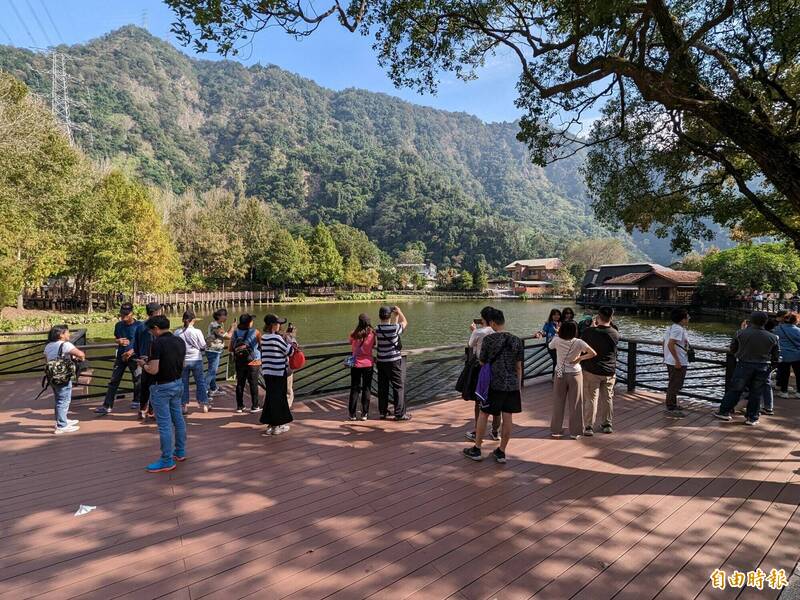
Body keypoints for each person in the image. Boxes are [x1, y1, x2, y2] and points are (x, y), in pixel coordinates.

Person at [463, 308, 523, 463]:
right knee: (507, 416)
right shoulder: (516, 340)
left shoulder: (490, 340)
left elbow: (482, 361)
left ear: (492, 323)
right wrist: (518, 385)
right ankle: (501, 451)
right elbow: (518, 366)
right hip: (511, 384)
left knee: (484, 413)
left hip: (493, 383)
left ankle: (477, 449)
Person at [714, 311, 779, 425]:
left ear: (751, 320)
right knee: (756, 393)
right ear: (765, 321)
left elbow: (733, 349)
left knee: (735, 390)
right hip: (762, 366)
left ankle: (724, 411)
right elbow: (776, 357)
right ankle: (752, 417)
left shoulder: (740, 333)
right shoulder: (773, 337)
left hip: (743, 364)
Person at [140, 315, 187, 473]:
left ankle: (166, 460)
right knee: (178, 419)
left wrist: (143, 364)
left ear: (156, 328)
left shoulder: (157, 343)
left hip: (161, 387)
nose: (151, 333)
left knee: (165, 425)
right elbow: (182, 363)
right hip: (178, 383)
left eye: (151, 330)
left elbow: (153, 369)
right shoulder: (179, 340)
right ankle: (180, 452)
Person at [549, 321, 596, 439]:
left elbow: (550, 346)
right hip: (575, 373)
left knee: (558, 402)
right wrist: (580, 358)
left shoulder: (557, 340)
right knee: (575, 403)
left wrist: (556, 333)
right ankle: (575, 432)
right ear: (574, 331)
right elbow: (593, 353)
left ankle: (556, 431)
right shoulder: (579, 342)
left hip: (560, 373)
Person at [95, 302, 142, 416]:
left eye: (126, 314)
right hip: (121, 356)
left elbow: (143, 343)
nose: (123, 316)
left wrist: (131, 352)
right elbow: (117, 338)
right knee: (113, 380)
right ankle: (107, 405)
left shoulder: (140, 326)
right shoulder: (118, 325)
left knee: (138, 379)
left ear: (132, 313)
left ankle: (137, 400)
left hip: (134, 357)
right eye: (122, 314)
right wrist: (118, 341)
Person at [581, 306, 620, 435]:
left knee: (591, 399)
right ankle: (607, 424)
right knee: (608, 398)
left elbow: (583, 345)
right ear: (611, 317)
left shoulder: (588, 332)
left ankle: (588, 427)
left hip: (591, 370)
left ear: (598, 316)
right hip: (609, 371)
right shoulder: (615, 333)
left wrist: (593, 327)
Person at [464, 307, 501, 441]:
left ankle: (476, 432)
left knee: (479, 401)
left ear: (483, 319)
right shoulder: (498, 332)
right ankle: (496, 431)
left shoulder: (479, 332)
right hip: (496, 368)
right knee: (496, 401)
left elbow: (470, 345)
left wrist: (474, 331)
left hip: (481, 368)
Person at [44, 325, 86, 434]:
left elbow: (48, 360)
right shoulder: (65, 345)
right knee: (64, 400)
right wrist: (79, 358)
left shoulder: (48, 346)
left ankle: (61, 420)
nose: (69, 335)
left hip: (52, 377)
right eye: (67, 332)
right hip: (63, 376)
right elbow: (81, 354)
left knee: (59, 399)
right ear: (61, 335)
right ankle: (62, 425)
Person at [260, 314, 295, 435]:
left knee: (270, 397)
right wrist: (292, 339)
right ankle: (277, 425)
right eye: (278, 323)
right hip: (278, 372)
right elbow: (289, 351)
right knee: (279, 398)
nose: (280, 325)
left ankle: (271, 424)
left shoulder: (264, 338)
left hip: (267, 372)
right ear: (273, 325)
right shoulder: (277, 338)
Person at [376, 305, 412, 421]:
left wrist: (394, 317)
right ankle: (399, 414)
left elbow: (391, 328)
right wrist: (400, 312)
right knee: (398, 387)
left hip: (381, 361)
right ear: (389, 316)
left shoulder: (377, 329)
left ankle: (383, 412)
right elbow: (405, 322)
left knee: (383, 387)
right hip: (394, 362)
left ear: (380, 316)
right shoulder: (394, 328)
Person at [174, 310, 209, 414]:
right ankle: (204, 404)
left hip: (183, 361)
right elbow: (203, 345)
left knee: (183, 383)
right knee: (200, 382)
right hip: (196, 359)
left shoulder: (177, 332)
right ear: (193, 320)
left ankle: (183, 406)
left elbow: (175, 346)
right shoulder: (197, 332)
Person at [135, 302, 163, 420]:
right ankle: (151, 410)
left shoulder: (140, 326)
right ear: (156, 312)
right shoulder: (155, 327)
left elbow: (135, 344)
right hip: (153, 360)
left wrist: (139, 356)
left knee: (145, 386)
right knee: (155, 386)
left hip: (142, 359)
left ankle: (142, 409)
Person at [230, 314, 262, 413]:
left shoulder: (235, 333)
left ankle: (240, 406)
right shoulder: (256, 332)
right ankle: (255, 406)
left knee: (240, 383)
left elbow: (230, 348)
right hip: (254, 360)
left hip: (239, 361)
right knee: (253, 383)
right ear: (249, 323)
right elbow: (262, 345)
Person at [663, 308, 691, 417]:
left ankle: (673, 404)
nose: (688, 318)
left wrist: (665, 357)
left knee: (673, 383)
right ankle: (670, 407)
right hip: (677, 361)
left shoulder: (671, 328)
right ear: (682, 319)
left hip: (671, 360)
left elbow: (664, 342)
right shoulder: (678, 329)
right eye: (687, 317)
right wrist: (677, 361)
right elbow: (670, 344)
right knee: (675, 384)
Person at [348, 313, 376, 420]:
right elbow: (373, 344)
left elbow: (350, 341)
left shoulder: (353, 334)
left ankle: (352, 414)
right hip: (368, 364)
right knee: (366, 388)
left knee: (354, 389)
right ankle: (364, 413)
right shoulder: (373, 334)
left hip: (355, 364)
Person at [205, 308, 232, 398]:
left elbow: (224, 335)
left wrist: (230, 328)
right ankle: (203, 390)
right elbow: (228, 336)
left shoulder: (217, 325)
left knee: (212, 370)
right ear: (219, 316)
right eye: (224, 315)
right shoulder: (216, 326)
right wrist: (233, 327)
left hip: (212, 350)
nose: (226, 317)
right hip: (213, 351)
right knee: (212, 371)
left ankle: (213, 389)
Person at [774, 313, 800, 398]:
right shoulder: (798, 330)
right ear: (796, 320)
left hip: (783, 355)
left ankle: (784, 391)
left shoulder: (778, 329)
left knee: (784, 373)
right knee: (798, 374)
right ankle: (799, 392)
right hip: (797, 355)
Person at [533, 308, 561, 377]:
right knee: (556, 361)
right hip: (551, 344)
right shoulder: (548, 323)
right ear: (551, 316)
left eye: (558, 315)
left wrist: (558, 330)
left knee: (559, 361)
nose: (556, 316)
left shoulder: (561, 323)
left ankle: (557, 377)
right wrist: (539, 333)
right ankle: (556, 377)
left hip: (560, 345)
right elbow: (544, 331)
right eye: (554, 315)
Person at [282, 322, 298, 407]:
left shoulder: (278, 337)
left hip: (276, 367)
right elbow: (293, 350)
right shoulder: (289, 339)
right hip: (286, 366)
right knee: (288, 388)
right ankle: (287, 405)